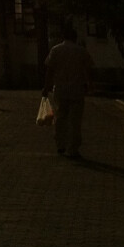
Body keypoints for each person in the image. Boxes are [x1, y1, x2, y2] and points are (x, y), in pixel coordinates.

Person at [42, 24, 94, 159]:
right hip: (77, 90)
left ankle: (60, 145)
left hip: (60, 89)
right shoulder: (81, 51)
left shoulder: (55, 50)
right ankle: (73, 149)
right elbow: (88, 69)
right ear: (75, 38)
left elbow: (50, 71)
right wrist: (89, 84)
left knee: (60, 118)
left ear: (63, 37)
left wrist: (46, 87)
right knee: (75, 121)